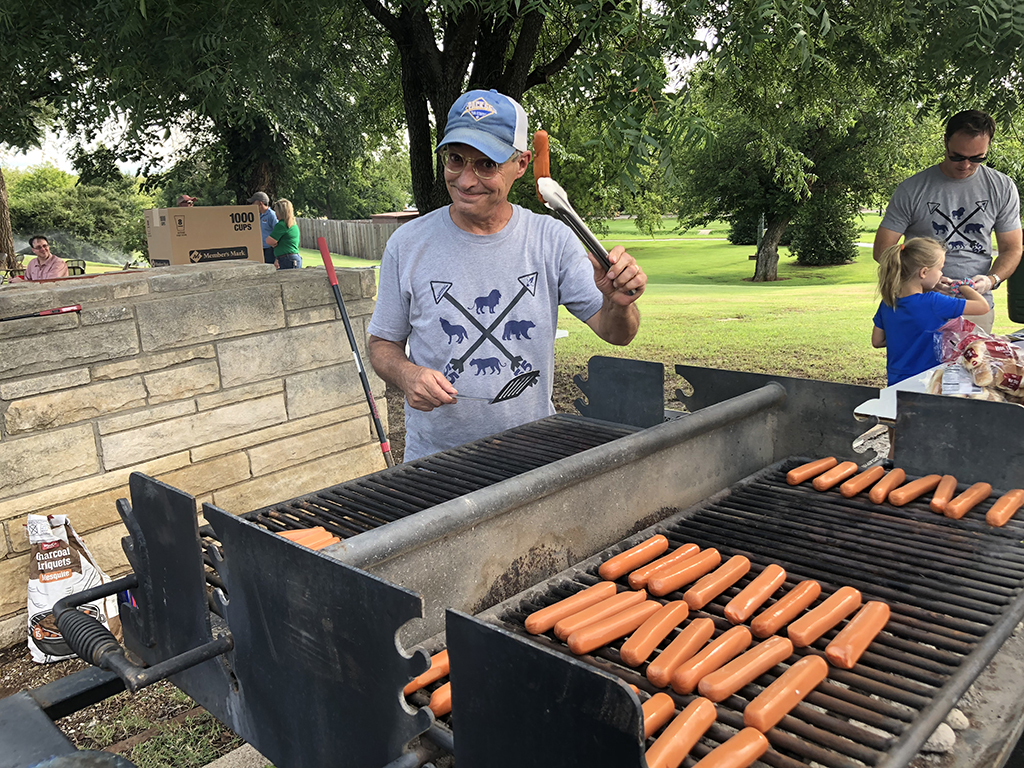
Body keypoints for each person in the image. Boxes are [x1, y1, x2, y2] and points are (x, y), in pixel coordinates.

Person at [367, 89, 647, 461]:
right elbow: (381, 345)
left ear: (521, 163)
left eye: (486, 165)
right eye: (455, 160)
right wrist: (407, 376)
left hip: (531, 455)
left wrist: (618, 304)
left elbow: (617, 334)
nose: (466, 180)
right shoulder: (407, 244)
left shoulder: (551, 240)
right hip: (435, 461)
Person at [873, 110, 1022, 333]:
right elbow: (883, 250)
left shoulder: (1002, 187)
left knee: (973, 366)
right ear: (945, 142)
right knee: (920, 368)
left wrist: (991, 280)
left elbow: (1012, 249)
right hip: (920, 305)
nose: (966, 165)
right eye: (957, 156)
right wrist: (926, 276)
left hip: (974, 307)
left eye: (977, 158)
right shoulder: (912, 189)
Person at [872, 237, 989, 385]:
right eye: (940, 269)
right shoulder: (934, 302)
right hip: (930, 381)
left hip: (897, 381)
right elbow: (982, 306)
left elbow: (877, 341)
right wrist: (960, 286)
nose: (941, 274)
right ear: (924, 272)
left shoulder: (888, 302)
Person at [266, 199, 300, 269]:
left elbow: (269, 241)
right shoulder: (293, 224)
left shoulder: (282, 225)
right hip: (293, 257)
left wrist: (273, 244)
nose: (275, 214)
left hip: (287, 259)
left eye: (276, 212)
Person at [248, 192, 279, 265]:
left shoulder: (271, 215)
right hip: (259, 249)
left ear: (260, 203)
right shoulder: (257, 215)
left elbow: (277, 232)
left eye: (253, 202)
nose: (252, 205)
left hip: (269, 250)